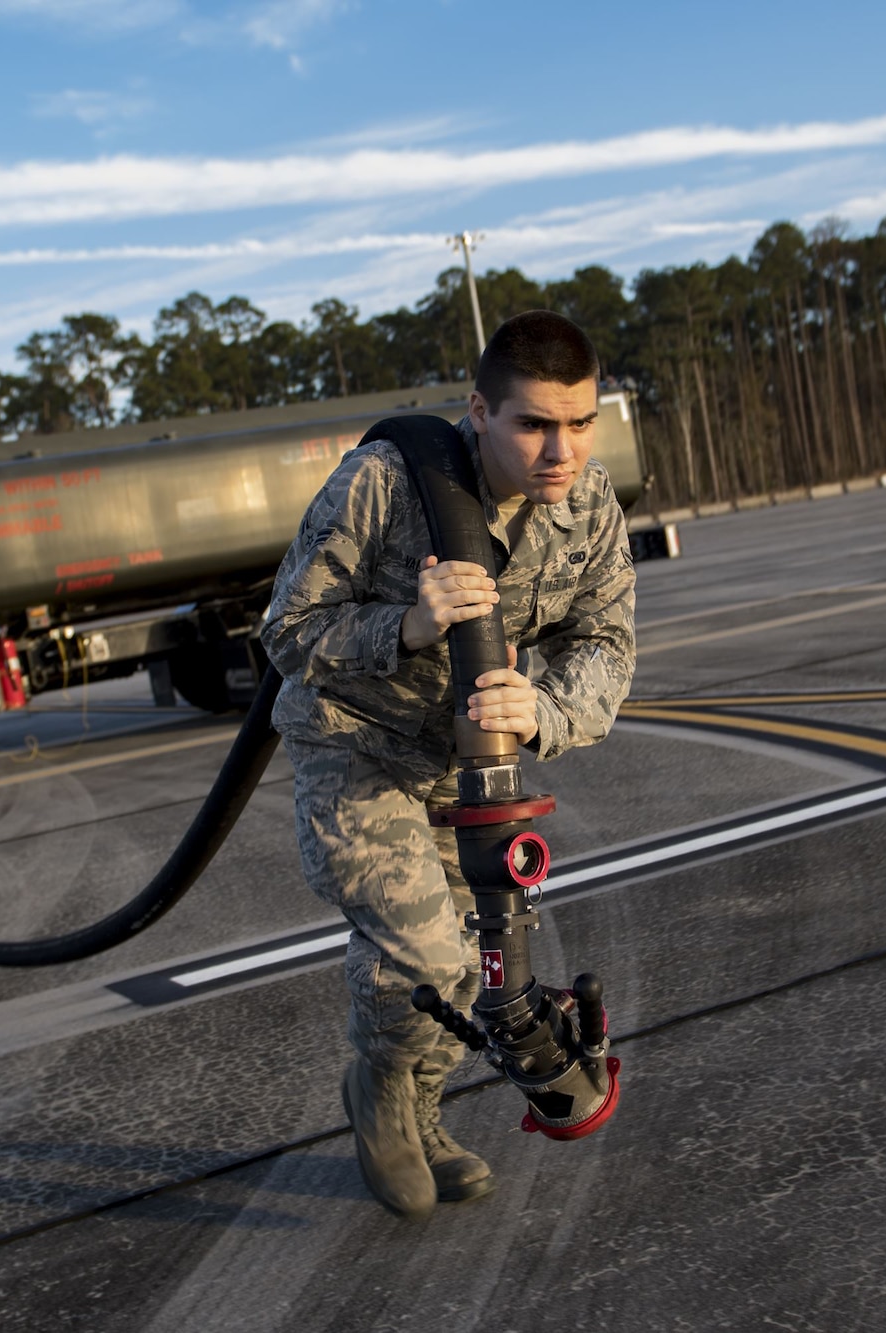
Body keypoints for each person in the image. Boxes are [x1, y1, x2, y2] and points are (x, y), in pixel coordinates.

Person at [261, 310, 637, 1217]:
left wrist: (543, 709)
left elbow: (608, 645)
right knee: (424, 949)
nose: (563, 450)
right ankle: (383, 1094)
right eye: (535, 423)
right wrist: (407, 624)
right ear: (479, 410)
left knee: (482, 966)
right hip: (357, 746)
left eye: (582, 422)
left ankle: (423, 1110)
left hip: (468, 769)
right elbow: (286, 632)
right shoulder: (387, 481)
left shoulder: (588, 506)